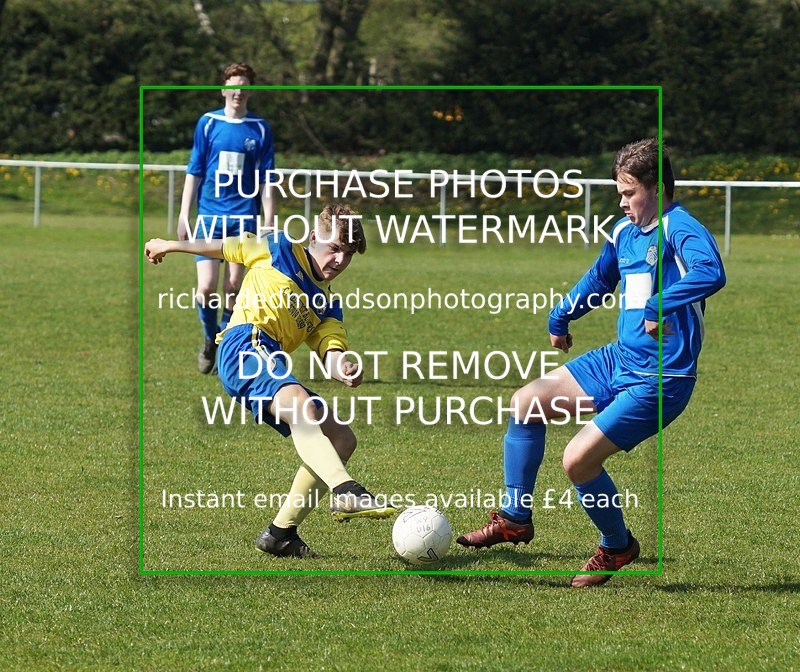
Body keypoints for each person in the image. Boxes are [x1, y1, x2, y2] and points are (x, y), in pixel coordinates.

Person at [456, 139, 726, 587]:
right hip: (619, 359)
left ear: (657, 188)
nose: (621, 202)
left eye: (628, 192)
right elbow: (600, 278)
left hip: (663, 377)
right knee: (525, 403)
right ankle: (515, 518)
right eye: (619, 192)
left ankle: (617, 546)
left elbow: (711, 271)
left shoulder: (679, 227)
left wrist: (659, 304)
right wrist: (561, 315)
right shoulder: (624, 233)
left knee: (577, 461)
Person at [145, 204, 396, 558]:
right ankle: (346, 490)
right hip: (244, 346)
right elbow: (225, 248)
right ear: (314, 237)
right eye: (335, 248)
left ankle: (280, 534)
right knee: (302, 406)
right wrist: (170, 245)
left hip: (271, 359)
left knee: (341, 437)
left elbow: (330, 347)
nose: (340, 260)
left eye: (349, 253)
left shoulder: (326, 304)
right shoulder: (278, 247)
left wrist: (342, 367)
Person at [178, 62, 276, 374]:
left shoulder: (260, 128)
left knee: (233, 286)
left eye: (243, 87)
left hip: (244, 218)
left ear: (250, 91)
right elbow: (194, 170)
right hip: (210, 217)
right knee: (206, 287)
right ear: (223, 89)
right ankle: (211, 339)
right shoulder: (208, 123)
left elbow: (267, 179)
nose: (238, 92)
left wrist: (269, 220)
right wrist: (183, 214)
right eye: (233, 86)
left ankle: (223, 341)